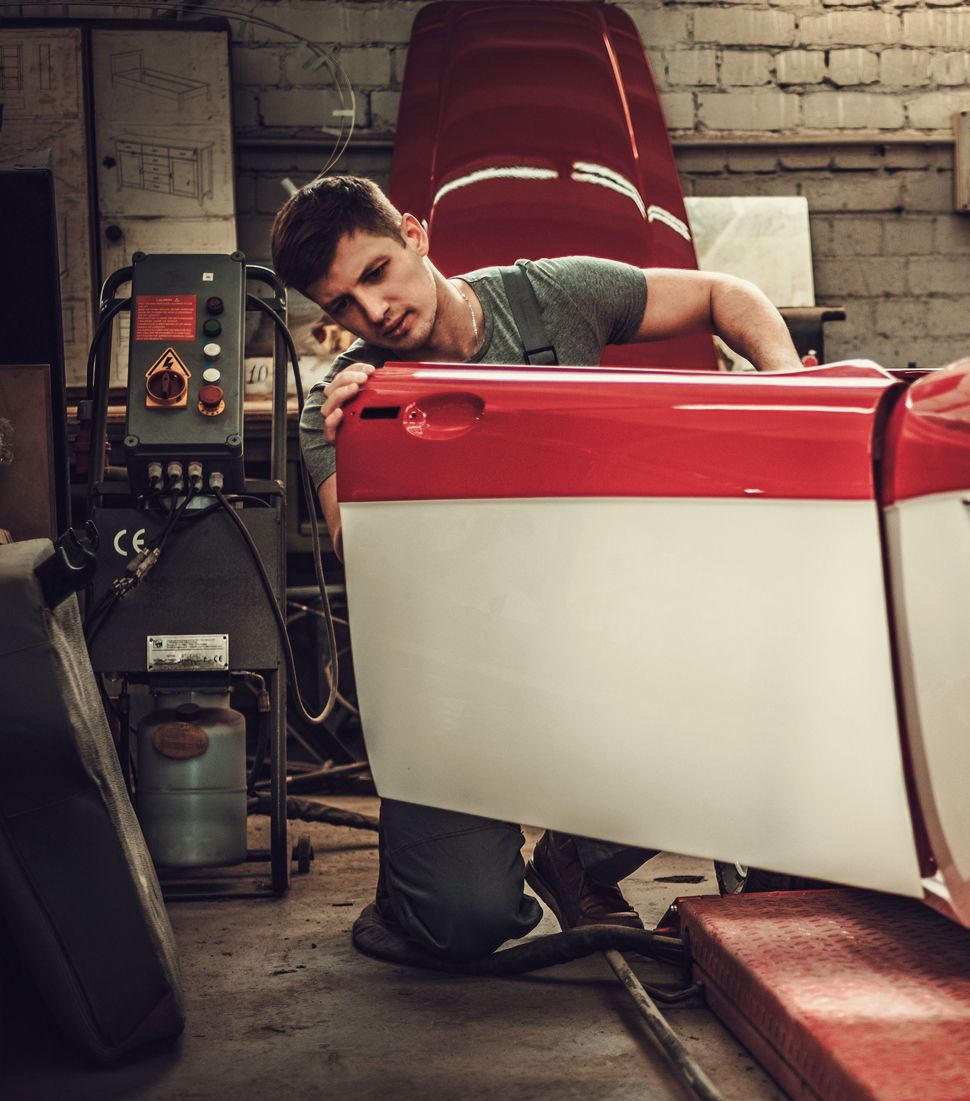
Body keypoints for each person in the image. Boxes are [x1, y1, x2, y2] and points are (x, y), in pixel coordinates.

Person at [270, 175, 802, 961]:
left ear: (414, 234)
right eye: (344, 304)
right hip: (457, 690)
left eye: (377, 272)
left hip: (592, 653)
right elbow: (363, 560)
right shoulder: (346, 405)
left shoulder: (551, 300)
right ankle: (415, 890)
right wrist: (363, 448)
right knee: (462, 924)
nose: (374, 312)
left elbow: (727, 295)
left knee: (749, 692)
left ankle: (577, 855)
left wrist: (784, 390)